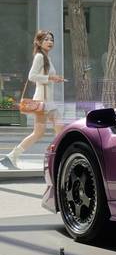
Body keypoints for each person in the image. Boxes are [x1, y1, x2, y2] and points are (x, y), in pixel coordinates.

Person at [1, 30, 65, 170]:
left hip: (48, 102)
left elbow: (43, 77)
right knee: (50, 132)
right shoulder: (40, 57)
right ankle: (57, 160)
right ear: (38, 42)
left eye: (51, 39)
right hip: (42, 103)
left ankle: (12, 157)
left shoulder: (46, 57)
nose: (50, 42)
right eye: (46, 39)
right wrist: (50, 78)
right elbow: (32, 76)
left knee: (49, 132)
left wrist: (54, 79)